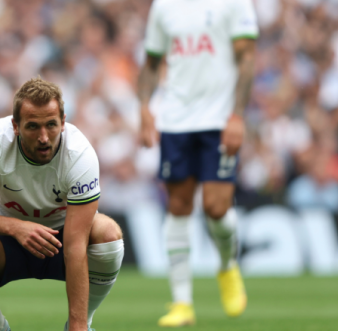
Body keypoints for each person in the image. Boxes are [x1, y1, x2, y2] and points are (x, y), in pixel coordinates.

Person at [0, 78, 124, 331]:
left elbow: (76, 244)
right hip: (4, 242)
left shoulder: (80, 154)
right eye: (33, 126)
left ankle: (83, 326)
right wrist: (16, 227)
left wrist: (77, 326)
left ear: (63, 122)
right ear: (15, 126)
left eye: (51, 125)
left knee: (109, 236)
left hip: (63, 241)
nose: (44, 137)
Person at [137, 0, 258, 326]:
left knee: (216, 208)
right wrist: (145, 107)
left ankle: (227, 265)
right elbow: (151, 61)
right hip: (175, 120)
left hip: (218, 120)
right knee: (177, 206)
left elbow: (247, 58)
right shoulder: (164, 6)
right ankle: (182, 303)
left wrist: (237, 116)